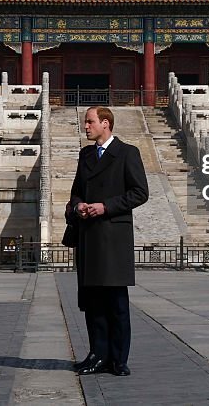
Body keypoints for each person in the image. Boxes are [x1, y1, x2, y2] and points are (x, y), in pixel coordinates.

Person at [67, 106, 149, 377]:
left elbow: (139, 193)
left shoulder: (127, 153)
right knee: (93, 303)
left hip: (113, 238)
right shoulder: (86, 154)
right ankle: (97, 354)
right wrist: (77, 207)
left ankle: (118, 359)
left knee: (116, 304)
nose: (85, 126)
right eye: (85, 122)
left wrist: (106, 206)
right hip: (89, 237)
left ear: (105, 123)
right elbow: (76, 192)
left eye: (89, 122)